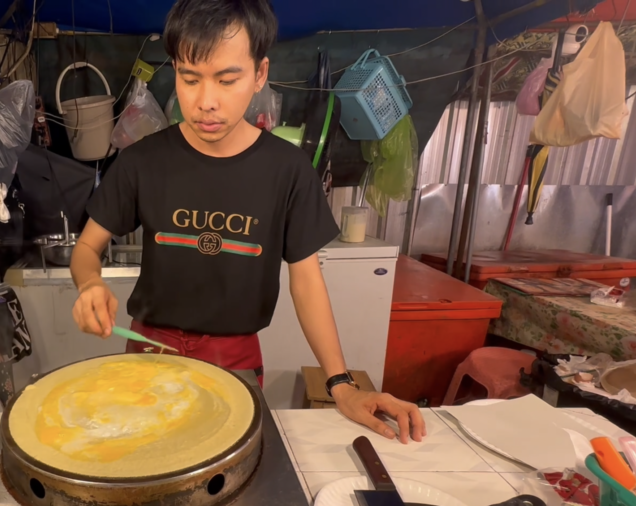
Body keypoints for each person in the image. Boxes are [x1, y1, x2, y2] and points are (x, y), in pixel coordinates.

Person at [69, 0, 425, 444]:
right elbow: (86, 249)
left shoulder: (288, 170)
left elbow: (306, 281)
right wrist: (89, 285)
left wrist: (341, 384)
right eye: (189, 78)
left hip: (233, 359)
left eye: (227, 79)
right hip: (146, 356)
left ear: (259, 74)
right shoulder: (143, 161)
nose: (206, 102)